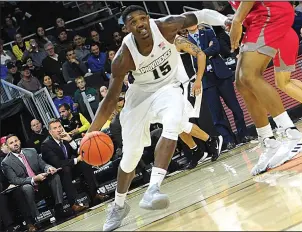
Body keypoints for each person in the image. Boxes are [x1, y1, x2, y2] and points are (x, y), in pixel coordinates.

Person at [84, 5, 230, 231]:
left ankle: (153, 189)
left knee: (173, 122)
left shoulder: (167, 26)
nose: (140, 24)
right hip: (139, 97)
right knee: (131, 157)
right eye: (133, 22)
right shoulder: (123, 57)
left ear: (149, 19)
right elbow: (110, 99)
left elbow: (199, 15)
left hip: (168, 88)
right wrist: (90, 133)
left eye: (143, 18)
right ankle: (119, 205)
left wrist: (224, 20)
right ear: (127, 28)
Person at [229, 1, 302, 176]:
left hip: (272, 14)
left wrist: (237, 21)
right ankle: (268, 139)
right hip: (257, 20)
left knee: (253, 76)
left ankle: (291, 132)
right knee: (242, 83)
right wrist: (236, 19)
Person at [174, 34, 223, 169]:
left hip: (189, 83)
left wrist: (199, 79)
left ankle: (213, 139)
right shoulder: (157, 48)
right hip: (173, 89)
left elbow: (201, 55)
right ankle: (196, 151)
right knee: (173, 123)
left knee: (183, 121)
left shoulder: (178, 41)